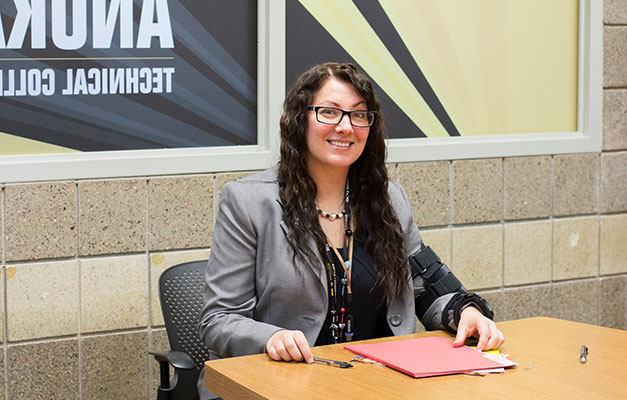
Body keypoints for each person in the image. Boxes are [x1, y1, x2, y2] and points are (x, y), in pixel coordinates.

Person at [197, 62, 503, 397]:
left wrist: (465, 313)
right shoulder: (248, 202)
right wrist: (270, 338)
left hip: (374, 385)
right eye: (329, 112)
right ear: (300, 119)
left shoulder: (388, 200)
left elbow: (427, 284)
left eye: (359, 115)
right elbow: (219, 320)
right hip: (280, 385)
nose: (345, 127)